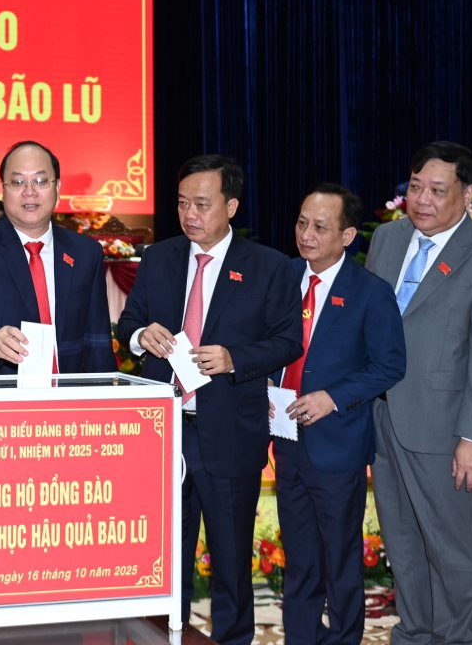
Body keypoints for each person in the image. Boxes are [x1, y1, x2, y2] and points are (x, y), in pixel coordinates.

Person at [117, 154, 301, 644]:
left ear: (232, 206)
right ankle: (164, 634)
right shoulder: (160, 257)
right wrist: (141, 337)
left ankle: (233, 638)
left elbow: (287, 341)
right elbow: (128, 322)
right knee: (164, 553)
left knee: (230, 555)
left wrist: (235, 357)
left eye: (202, 204)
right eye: (182, 203)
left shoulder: (270, 267)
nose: (190, 214)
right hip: (164, 432)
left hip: (230, 434)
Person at [366, 141, 472, 645]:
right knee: (403, 541)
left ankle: (457, 638)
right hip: (381, 416)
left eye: (436, 190)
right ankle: (415, 633)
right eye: (414, 187)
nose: (422, 200)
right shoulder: (388, 240)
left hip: (442, 426)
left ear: (468, 194)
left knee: (450, 546)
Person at [273, 184, 406, 644]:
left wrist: (333, 397)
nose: (306, 235)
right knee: (300, 560)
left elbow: (390, 365)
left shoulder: (370, 292)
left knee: (340, 561)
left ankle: (344, 638)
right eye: (301, 223)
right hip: (286, 441)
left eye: (320, 227)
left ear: (347, 235)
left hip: (338, 446)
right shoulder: (282, 276)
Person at [0, 140, 114, 375]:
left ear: (57, 187)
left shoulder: (86, 252)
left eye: (40, 181)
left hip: (69, 396)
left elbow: (97, 337)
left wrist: (105, 397)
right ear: (3, 189)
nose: (29, 191)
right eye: (17, 182)